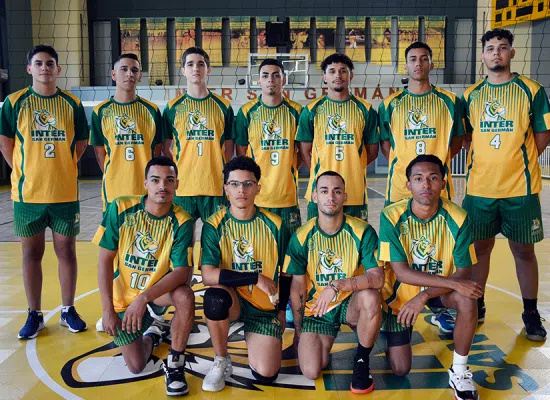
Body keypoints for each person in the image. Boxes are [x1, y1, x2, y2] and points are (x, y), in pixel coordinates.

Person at [462, 28, 550, 339]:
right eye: (490, 48)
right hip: (479, 190)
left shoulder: (532, 90)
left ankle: (530, 312)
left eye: (502, 47)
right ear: (483, 55)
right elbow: (467, 136)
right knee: (478, 251)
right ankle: (478, 304)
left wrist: (517, 161)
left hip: (520, 190)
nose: (496, 52)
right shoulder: (471, 95)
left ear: (512, 53)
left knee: (524, 251)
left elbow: (542, 135)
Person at [0, 44, 88, 339]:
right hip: (28, 195)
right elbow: (5, 142)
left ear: (58, 69)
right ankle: (34, 314)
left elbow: (81, 144)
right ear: (29, 69)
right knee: (31, 253)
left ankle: (68, 310)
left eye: (50, 63)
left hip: (64, 193)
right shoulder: (14, 102)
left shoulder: (72, 104)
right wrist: (25, 170)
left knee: (67, 251)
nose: (45, 68)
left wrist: (62, 167)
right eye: (38, 63)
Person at [378, 154, 482, 400]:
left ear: (443, 184)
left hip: (438, 293)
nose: (426, 185)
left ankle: (459, 371)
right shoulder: (391, 216)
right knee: (400, 368)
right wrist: (442, 286)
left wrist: (424, 295)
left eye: (433, 178)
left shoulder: (459, 218)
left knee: (467, 298)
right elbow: (401, 272)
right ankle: (387, 324)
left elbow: (464, 272)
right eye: (418, 178)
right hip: (401, 293)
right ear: (408, 185)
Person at [378, 41, 465, 334]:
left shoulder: (450, 101)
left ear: (431, 63)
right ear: (406, 65)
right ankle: (392, 305)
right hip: (399, 190)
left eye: (424, 58)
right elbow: (386, 146)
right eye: (413, 59)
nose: (418, 63)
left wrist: (432, 171)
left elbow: (456, 143)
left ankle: (439, 308)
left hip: (435, 189)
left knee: (440, 251)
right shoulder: (390, 104)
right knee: (397, 254)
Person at [93, 156, 195, 396]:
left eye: (169, 180)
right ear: (145, 183)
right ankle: (154, 334)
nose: (163, 186)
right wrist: (107, 310)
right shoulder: (120, 208)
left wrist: (143, 298)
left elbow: (181, 272)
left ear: (177, 184)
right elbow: (105, 260)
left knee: (185, 295)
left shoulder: (182, 220)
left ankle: (175, 363)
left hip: (156, 294)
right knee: (136, 365)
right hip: (123, 297)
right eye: (156, 180)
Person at [284, 171, 383, 394]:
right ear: (314, 197)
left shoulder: (363, 231)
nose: (331, 196)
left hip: (351, 303)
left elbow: (377, 278)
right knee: (311, 370)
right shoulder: (301, 236)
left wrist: (337, 285)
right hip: (318, 309)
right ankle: (321, 341)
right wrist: (298, 329)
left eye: (337, 191)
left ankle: (362, 361)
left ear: (345, 197)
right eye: (324, 191)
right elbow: (298, 287)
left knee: (370, 296)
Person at [199, 156, 290, 392]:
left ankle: (254, 334)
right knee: (214, 298)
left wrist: (282, 310)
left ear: (258, 188)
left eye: (248, 184)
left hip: (264, 308)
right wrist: (254, 278)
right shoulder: (214, 225)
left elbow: (287, 273)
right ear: (226, 189)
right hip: (233, 301)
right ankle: (221, 359)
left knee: (267, 374)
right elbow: (208, 275)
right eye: (235, 184)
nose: (241, 190)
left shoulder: (276, 225)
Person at [297, 53, 379, 222]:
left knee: (356, 238)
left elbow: (372, 152)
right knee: (317, 237)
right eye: (332, 71)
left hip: (354, 191)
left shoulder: (366, 110)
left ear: (351, 76)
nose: (338, 75)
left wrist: (354, 168)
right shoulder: (311, 110)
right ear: (324, 77)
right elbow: (304, 151)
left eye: (343, 71)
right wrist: (319, 173)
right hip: (320, 192)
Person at [163, 47, 234, 224]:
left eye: (201, 64)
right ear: (183, 71)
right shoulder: (172, 107)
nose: (195, 68)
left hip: (215, 186)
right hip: (183, 187)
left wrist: (217, 169)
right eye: (190, 64)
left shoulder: (223, 106)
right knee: (182, 238)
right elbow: (165, 148)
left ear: (208, 70)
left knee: (217, 238)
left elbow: (229, 148)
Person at [235, 58, 303, 234]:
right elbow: (241, 152)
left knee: (290, 247)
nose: (270, 80)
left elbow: (303, 152)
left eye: (276, 75)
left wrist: (288, 169)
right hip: (257, 197)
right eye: (265, 76)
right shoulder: (246, 112)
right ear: (259, 81)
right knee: (259, 246)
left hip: (287, 196)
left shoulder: (297, 111)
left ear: (284, 80)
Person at [90, 53, 163, 213]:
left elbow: (156, 150)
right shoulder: (101, 111)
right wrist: (114, 173)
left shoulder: (152, 110)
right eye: (124, 69)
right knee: (114, 229)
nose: (129, 73)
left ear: (140, 76)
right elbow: (100, 152)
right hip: (114, 189)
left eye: (134, 70)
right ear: (113, 74)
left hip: (145, 189)